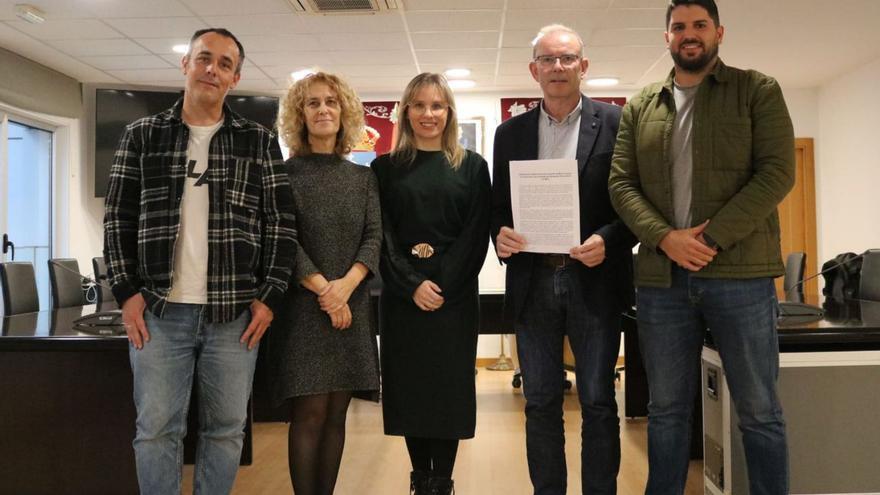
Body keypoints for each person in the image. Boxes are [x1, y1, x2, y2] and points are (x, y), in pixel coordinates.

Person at [608, 0, 794, 493]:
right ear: (666, 37)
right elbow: (621, 184)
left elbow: (777, 173)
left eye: (699, 25)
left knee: (759, 410)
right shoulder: (641, 104)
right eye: (678, 27)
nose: (689, 34)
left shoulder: (757, 90)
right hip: (662, 280)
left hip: (741, 276)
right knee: (665, 411)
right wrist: (666, 238)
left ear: (719, 32)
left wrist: (707, 238)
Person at [103, 28, 296, 495]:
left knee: (226, 431)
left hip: (233, 316)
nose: (213, 69)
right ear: (185, 64)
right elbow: (117, 220)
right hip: (159, 313)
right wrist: (127, 294)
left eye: (225, 63)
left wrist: (268, 298)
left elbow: (281, 226)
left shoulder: (258, 141)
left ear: (235, 77)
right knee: (156, 432)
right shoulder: (142, 135)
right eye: (205, 58)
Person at [490, 24, 636, 495]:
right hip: (534, 281)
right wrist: (501, 236)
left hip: (594, 281)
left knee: (597, 401)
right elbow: (498, 208)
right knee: (540, 402)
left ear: (583, 66)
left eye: (567, 58)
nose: (557, 67)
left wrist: (608, 240)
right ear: (534, 70)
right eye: (548, 60)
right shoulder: (508, 133)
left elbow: (636, 206)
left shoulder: (617, 124)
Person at [371, 73, 491, 495]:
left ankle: (443, 481)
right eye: (419, 105)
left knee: (448, 390)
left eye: (437, 105)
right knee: (411, 391)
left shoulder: (473, 167)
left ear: (449, 112)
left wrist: (440, 285)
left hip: (454, 301)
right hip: (403, 302)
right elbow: (380, 236)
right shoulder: (384, 169)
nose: (428, 114)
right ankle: (420, 478)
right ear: (405, 111)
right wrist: (411, 285)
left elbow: (476, 235)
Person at [271, 71, 381, 495]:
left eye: (331, 102)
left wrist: (345, 288)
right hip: (304, 310)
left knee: (337, 414)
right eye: (313, 103)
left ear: (344, 111)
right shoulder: (284, 175)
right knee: (310, 414)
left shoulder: (363, 178)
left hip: (350, 307)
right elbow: (284, 238)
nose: (323, 110)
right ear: (300, 115)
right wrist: (325, 290)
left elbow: (374, 237)